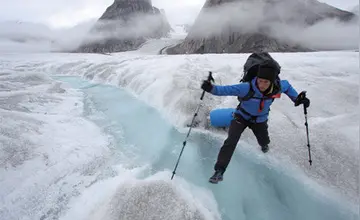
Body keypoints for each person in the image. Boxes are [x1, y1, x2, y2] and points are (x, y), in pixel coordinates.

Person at [201, 61, 310, 184]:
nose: (262, 85)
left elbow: (288, 87)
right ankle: (219, 171)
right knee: (230, 141)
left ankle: (264, 146)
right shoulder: (247, 87)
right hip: (241, 117)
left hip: (260, 120)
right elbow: (226, 90)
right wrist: (210, 88)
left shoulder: (278, 87)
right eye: (260, 80)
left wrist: (298, 99)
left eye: (266, 82)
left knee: (263, 141)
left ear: (272, 81)